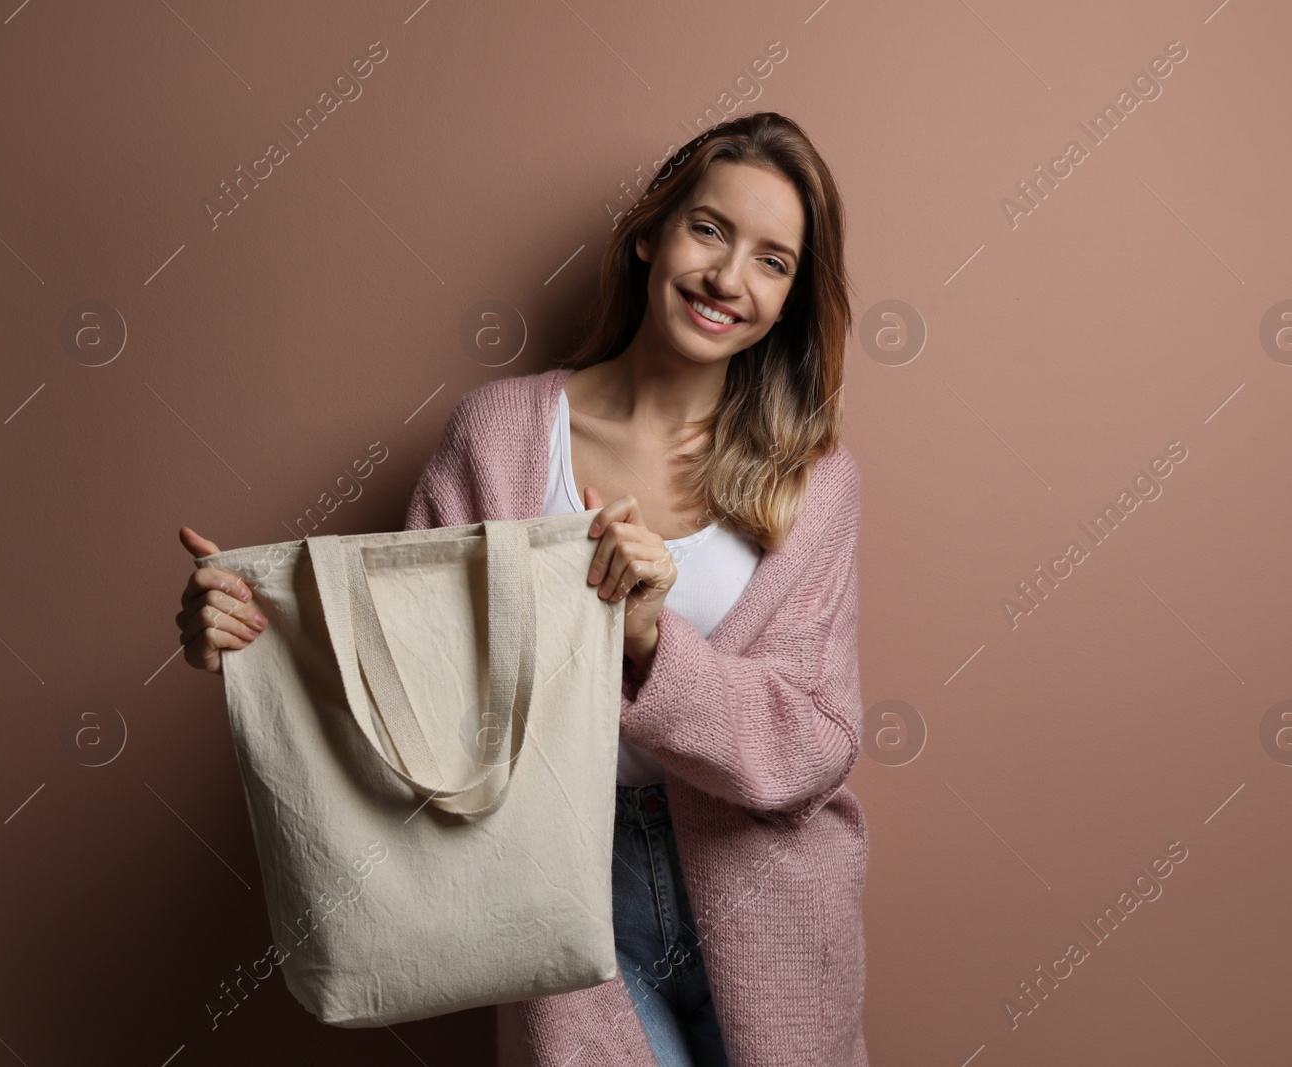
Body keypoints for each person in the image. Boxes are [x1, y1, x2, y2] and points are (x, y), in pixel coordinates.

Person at [175, 111, 868, 1067]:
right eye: (708, 230)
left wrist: (651, 646)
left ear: (789, 299)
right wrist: (256, 633)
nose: (727, 278)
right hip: (555, 881)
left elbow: (817, 743)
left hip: (768, 898)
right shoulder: (501, 435)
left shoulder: (811, 479)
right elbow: (414, 681)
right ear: (650, 233)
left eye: (772, 261)